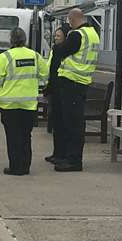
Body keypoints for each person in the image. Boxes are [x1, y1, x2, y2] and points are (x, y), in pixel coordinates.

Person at [0, 26, 48, 175]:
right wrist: (35, 85)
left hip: (9, 104)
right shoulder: (35, 56)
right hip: (29, 104)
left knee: (13, 135)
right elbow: (45, 75)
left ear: (11, 40)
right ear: (25, 39)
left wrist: (0, 89)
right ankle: (25, 166)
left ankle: (15, 167)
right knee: (26, 135)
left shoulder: (5, 57)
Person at [50, 8, 101, 172]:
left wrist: (57, 47)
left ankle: (73, 161)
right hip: (82, 81)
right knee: (75, 123)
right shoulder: (93, 34)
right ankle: (70, 158)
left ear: (71, 20)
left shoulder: (77, 35)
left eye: (69, 21)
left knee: (73, 124)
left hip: (72, 82)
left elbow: (61, 50)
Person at [44, 24, 73, 163]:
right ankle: (56, 153)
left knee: (62, 124)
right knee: (56, 123)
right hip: (55, 89)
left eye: (58, 36)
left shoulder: (64, 52)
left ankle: (62, 154)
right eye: (55, 36)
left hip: (62, 89)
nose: (55, 38)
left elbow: (57, 69)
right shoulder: (55, 50)